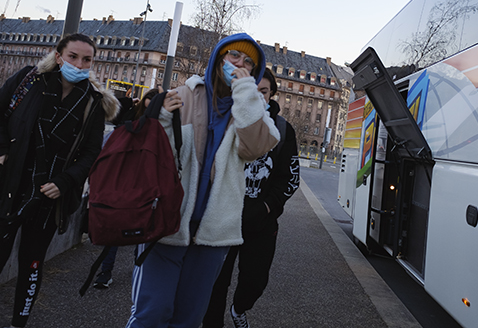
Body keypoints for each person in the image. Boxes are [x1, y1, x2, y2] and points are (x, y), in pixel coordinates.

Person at [125, 33, 280, 328]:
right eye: (235, 56)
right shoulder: (184, 94)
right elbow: (156, 155)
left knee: (189, 319)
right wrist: (164, 122)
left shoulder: (251, 109)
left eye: (249, 63)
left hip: (213, 233)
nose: (240, 65)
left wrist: (247, 91)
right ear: (219, 57)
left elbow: (256, 146)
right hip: (168, 223)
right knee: (151, 313)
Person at [0, 33, 119, 328]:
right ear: (58, 56)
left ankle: (18, 323)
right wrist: (2, 150)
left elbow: (92, 152)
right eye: (73, 57)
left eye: (87, 59)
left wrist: (65, 182)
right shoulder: (29, 81)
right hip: (10, 187)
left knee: (32, 264)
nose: (79, 64)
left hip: (49, 199)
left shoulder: (93, 103)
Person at [202, 68, 300, 328]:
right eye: (253, 89)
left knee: (255, 281)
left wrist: (266, 207)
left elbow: (290, 179)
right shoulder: (228, 122)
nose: (258, 96)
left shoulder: (282, 130)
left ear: (272, 95)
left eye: (264, 92)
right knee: (215, 283)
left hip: (261, 223)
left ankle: (239, 308)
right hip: (224, 218)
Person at [93, 88, 160, 289]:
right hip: (121, 178)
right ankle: (106, 271)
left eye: (153, 101)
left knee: (141, 228)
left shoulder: (157, 126)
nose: (149, 104)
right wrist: (129, 101)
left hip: (142, 183)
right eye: (148, 99)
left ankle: (138, 271)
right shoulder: (129, 115)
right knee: (116, 225)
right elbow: (110, 111)